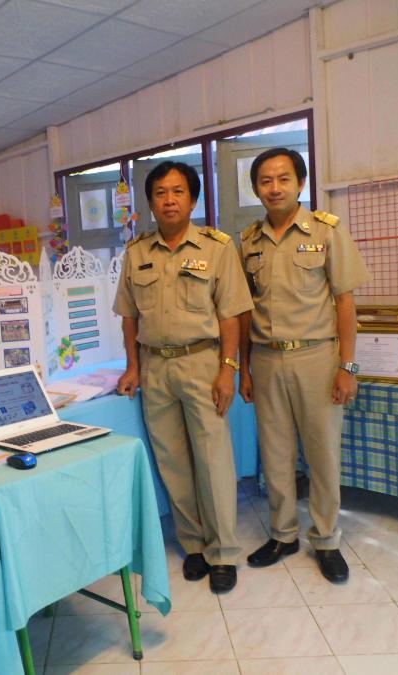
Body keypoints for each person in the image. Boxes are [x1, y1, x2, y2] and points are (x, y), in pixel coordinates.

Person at [115, 161, 253, 594]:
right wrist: (133, 366)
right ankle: (193, 544)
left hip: (202, 364)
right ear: (150, 202)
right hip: (155, 368)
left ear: (192, 200)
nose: (169, 200)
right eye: (160, 193)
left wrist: (228, 369)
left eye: (178, 192)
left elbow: (231, 314)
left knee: (213, 461)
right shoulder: (137, 253)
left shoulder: (217, 248)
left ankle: (223, 552)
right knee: (173, 462)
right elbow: (129, 317)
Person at [238, 148, 370, 583]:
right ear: (256, 188)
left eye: (283, 179)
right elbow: (244, 310)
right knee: (275, 453)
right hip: (266, 359)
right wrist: (243, 369)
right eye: (265, 181)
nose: (274, 188)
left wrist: (347, 367)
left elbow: (345, 302)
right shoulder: (249, 240)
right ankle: (283, 534)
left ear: (300, 183)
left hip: (316, 357)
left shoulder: (327, 231)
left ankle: (327, 539)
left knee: (322, 453)